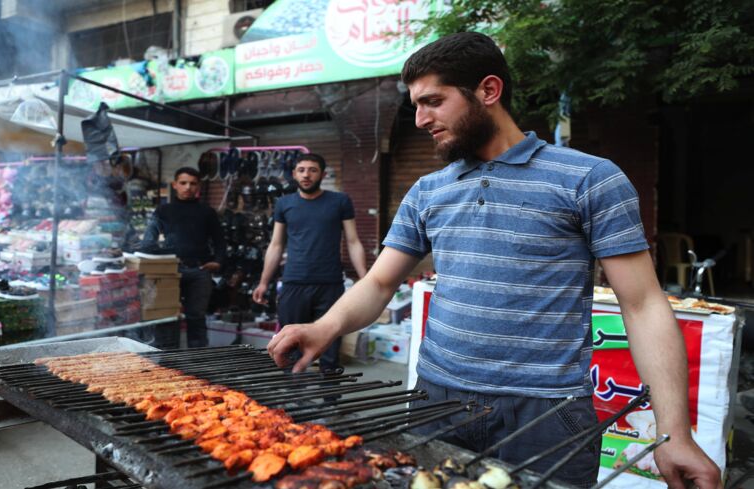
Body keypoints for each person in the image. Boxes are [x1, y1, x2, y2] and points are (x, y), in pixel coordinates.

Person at [266, 32, 720, 489]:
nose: (421, 120)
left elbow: (642, 303)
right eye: (416, 106)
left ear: (488, 90)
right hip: (435, 400)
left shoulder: (589, 179)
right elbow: (380, 284)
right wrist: (324, 327)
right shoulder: (427, 191)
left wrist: (673, 433)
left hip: (547, 412)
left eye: (433, 101)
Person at [252, 153, 368, 372]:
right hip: (294, 283)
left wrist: (365, 279)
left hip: (330, 284)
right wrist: (263, 282)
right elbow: (276, 245)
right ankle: (293, 403)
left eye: (313, 170)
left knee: (331, 350)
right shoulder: (284, 204)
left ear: (322, 174)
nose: (306, 175)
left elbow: (353, 241)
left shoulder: (340, 201)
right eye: (302, 170)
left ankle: (330, 401)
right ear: (295, 174)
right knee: (289, 347)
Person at [141, 167, 225, 348]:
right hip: (170, 271)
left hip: (199, 271)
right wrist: (155, 264)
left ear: (198, 186)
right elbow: (148, 241)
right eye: (183, 183)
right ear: (175, 185)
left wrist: (217, 261)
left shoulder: (207, 212)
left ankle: (199, 362)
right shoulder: (163, 210)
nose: (188, 187)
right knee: (168, 316)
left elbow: (220, 241)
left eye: (193, 183)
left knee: (196, 318)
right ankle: (170, 363)